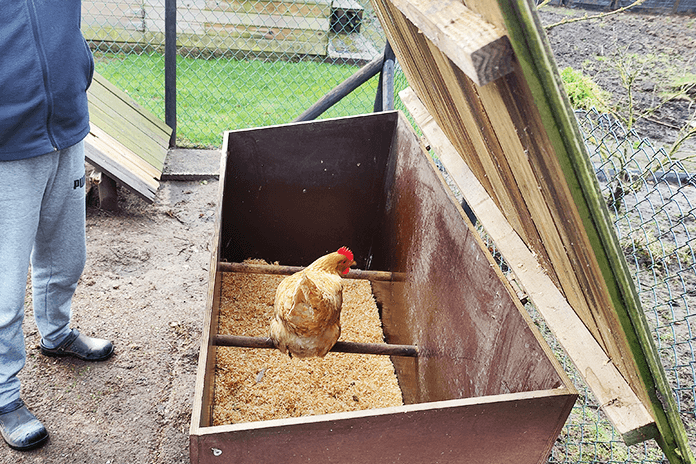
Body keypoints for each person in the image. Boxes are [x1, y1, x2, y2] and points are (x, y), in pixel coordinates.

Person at [0, 1, 114, 451]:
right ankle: (5, 397)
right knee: (5, 289)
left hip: (66, 128)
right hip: (8, 149)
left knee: (67, 255)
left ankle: (57, 333)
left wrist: (77, 71)